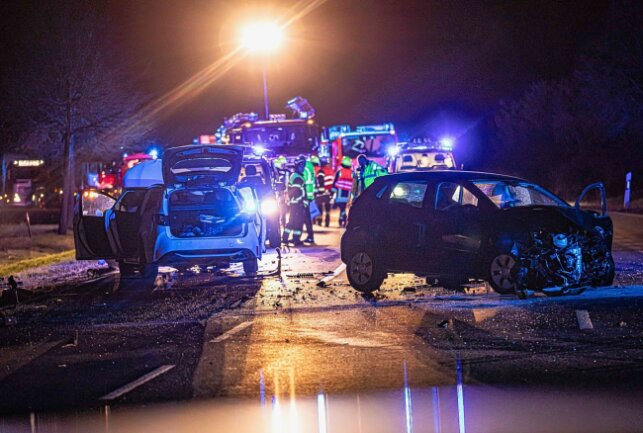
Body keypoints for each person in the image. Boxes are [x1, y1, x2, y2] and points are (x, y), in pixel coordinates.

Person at [282, 158, 307, 246]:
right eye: (302, 166)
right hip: (297, 203)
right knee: (296, 221)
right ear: (297, 166)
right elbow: (296, 192)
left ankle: (289, 238)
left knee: (294, 221)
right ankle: (294, 239)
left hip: (295, 203)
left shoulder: (296, 175)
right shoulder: (297, 177)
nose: (303, 168)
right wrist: (301, 201)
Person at [331, 156, 353, 227]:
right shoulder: (352, 173)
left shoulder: (339, 172)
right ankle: (343, 219)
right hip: (348, 194)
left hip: (340, 194)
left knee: (342, 207)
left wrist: (332, 193)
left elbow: (335, 183)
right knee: (343, 207)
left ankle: (342, 218)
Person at [314, 158, 334, 227]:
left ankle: (319, 221)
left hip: (322, 192)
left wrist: (319, 191)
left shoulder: (321, 171)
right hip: (329, 191)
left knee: (320, 207)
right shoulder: (331, 171)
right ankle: (327, 222)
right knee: (327, 208)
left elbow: (320, 181)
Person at [301, 155, 316, 243]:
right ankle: (310, 236)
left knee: (306, 218)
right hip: (309, 195)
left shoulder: (305, 169)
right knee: (307, 218)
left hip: (306, 196)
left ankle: (310, 237)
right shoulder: (310, 167)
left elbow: (304, 182)